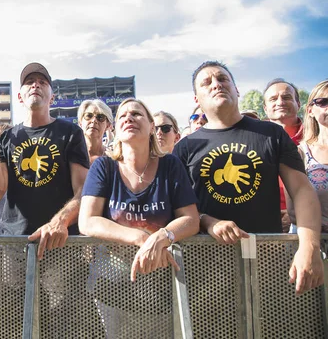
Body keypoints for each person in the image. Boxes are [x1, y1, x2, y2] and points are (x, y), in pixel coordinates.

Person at [173, 60, 324, 295]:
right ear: (196, 99)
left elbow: (302, 190)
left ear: (236, 89)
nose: (216, 84)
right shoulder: (185, 147)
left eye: (223, 79)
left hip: (268, 262)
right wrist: (209, 222)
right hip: (206, 268)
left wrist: (309, 247)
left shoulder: (271, 133)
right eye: (206, 82)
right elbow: (179, 210)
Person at [79, 98, 199, 336]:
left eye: (136, 114)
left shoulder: (170, 165)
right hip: (109, 283)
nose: (129, 118)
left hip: (160, 282)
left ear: (151, 126)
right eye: (122, 115)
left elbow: (191, 219)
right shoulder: (104, 166)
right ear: (116, 129)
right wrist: (141, 238)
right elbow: (88, 220)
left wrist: (162, 236)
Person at [0, 62, 89, 259]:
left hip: (60, 243)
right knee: (13, 292)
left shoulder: (71, 133)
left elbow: (84, 190)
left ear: (52, 98)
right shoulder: (7, 138)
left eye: (42, 82)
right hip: (15, 244)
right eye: (29, 82)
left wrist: (60, 221)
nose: (35, 85)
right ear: (20, 97)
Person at [287, 79, 328, 233]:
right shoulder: (300, 153)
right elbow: (293, 213)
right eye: (323, 102)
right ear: (310, 110)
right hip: (315, 243)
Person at [263, 78, 304, 231]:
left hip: (307, 223)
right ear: (265, 108)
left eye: (286, 97)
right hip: (263, 221)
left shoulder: (315, 138)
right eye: (273, 99)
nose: (280, 102)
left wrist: (293, 213)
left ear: (298, 104)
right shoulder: (251, 141)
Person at [77, 99, 113, 164]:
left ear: (108, 125)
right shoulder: (70, 156)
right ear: (80, 123)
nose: (94, 120)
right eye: (88, 116)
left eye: (100, 117)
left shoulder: (114, 158)